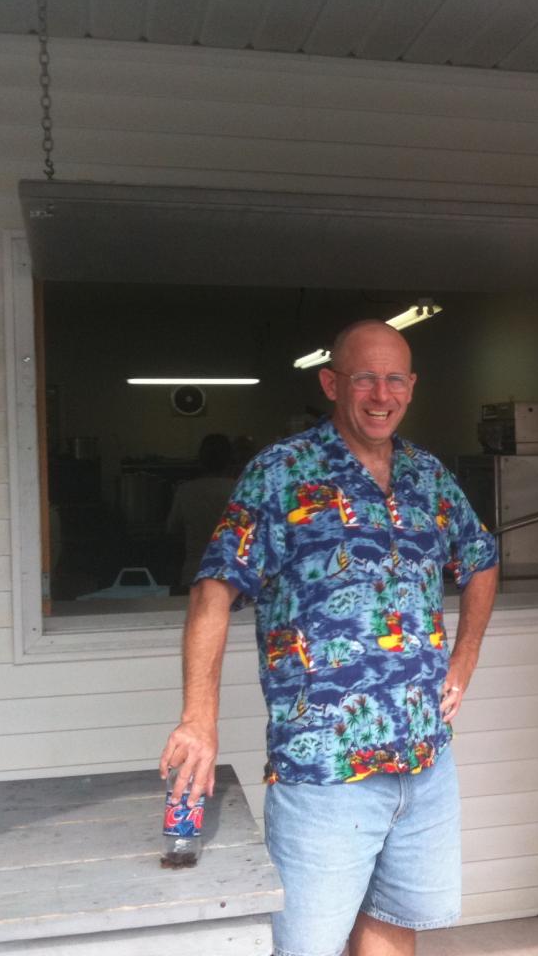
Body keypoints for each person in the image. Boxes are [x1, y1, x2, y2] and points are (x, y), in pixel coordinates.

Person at [159, 320, 499, 956]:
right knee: (307, 946)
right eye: (365, 377)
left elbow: (480, 557)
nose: (381, 394)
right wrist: (199, 719)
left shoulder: (427, 476)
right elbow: (213, 591)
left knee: (393, 922)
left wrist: (466, 656)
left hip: (423, 759)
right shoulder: (282, 473)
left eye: (394, 379)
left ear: (412, 386)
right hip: (323, 767)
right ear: (331, 383)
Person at [165, 432, 235, 589]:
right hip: (231, 576)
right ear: (229, 461)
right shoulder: (239, 490)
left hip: (194, 573)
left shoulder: (186, 491)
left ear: (201, 461)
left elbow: (172, 530)